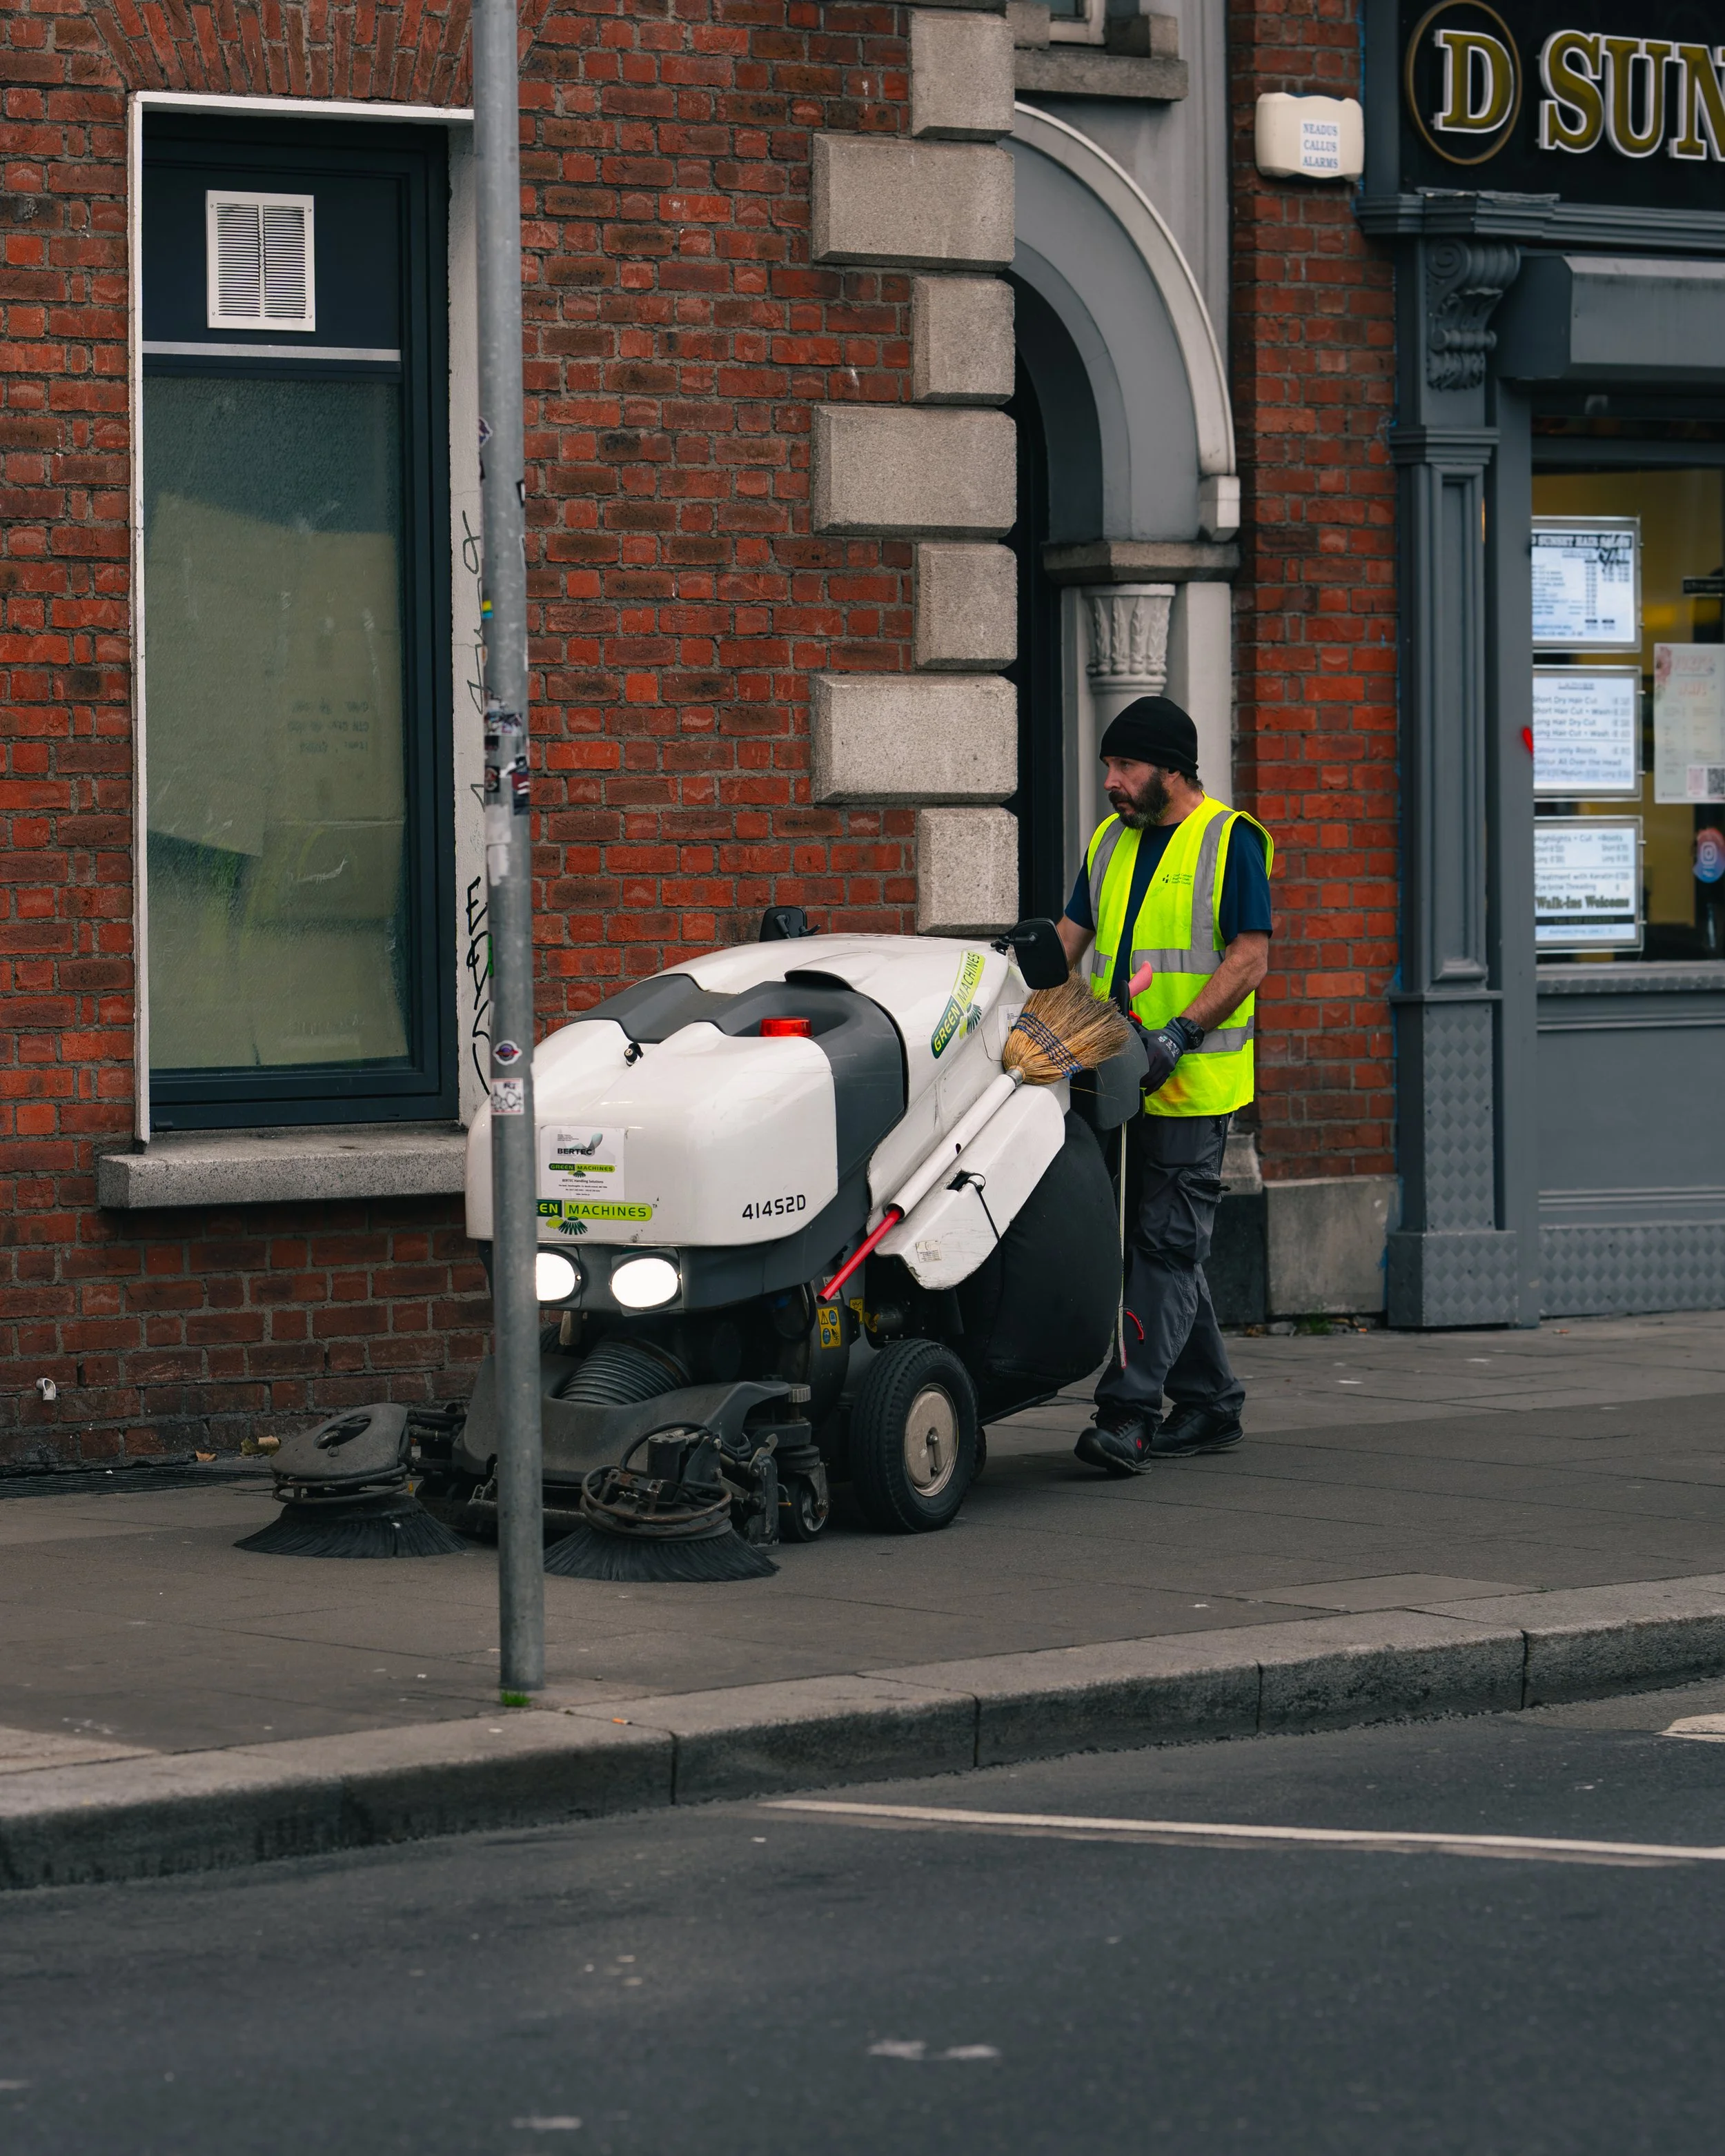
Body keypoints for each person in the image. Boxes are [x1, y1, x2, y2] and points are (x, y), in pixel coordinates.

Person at [1056, 695, 1273, 1477]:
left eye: (1126, 766)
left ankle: (1128, 1412)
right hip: (1117, 1078)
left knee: (1165, 1244)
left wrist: (1180, 1033)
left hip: (1192, 1085)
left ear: (1171, 769)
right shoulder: (1112, 840)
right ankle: (1210, 1398)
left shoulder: (1228, 839)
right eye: (1109, 766)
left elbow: (1249, 956)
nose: (1111, 781)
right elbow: (1066, 942)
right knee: (1157, 1248)